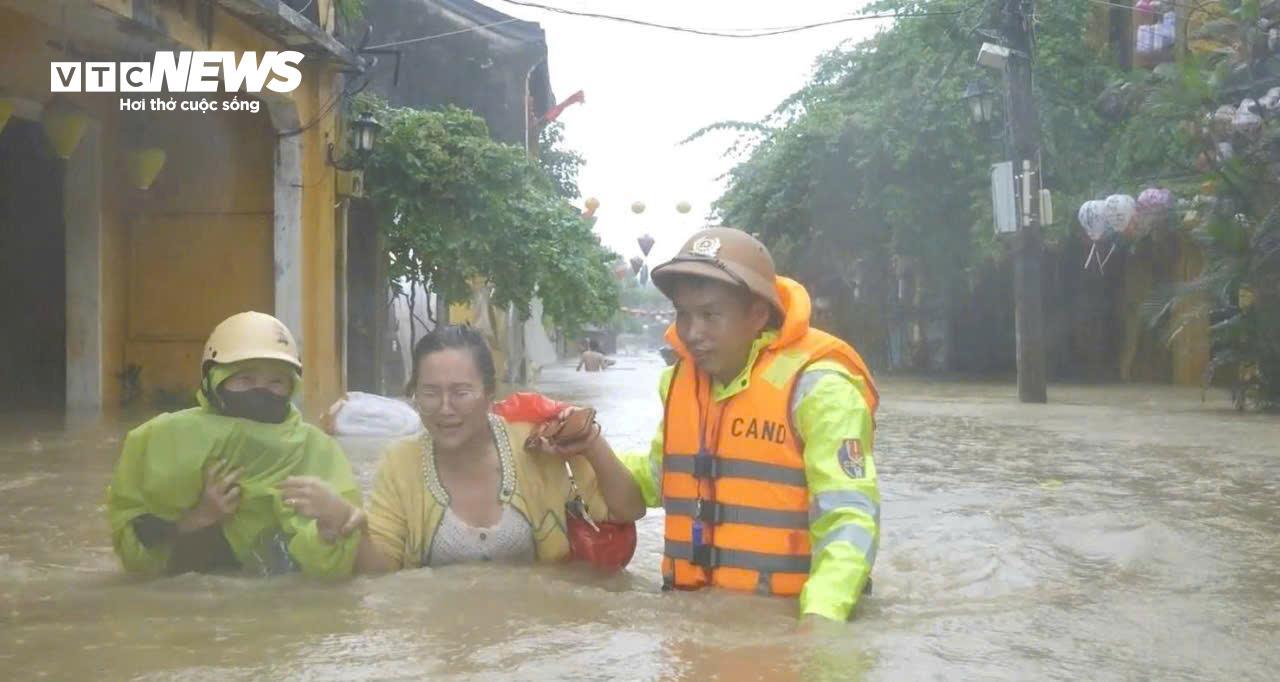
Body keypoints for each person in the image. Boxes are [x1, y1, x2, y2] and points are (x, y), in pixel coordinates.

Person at [620, 227, 881, 624]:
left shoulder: (821, 390)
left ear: (757, 314)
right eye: (683, 315)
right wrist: (581, 452)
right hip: (691, 619)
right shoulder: (677, 384)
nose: (692, 333)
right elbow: (657, 479)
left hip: (791, 618)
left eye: (710, 315)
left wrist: (821, 621)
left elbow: (849, 517)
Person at [280, 325, 645, 572]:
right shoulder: (400, 463)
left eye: (460, 392)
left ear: (489, 394)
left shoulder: (537, 446)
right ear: (415, 397)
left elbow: (628, 509)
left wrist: (592, 444)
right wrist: (344, 523)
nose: (444, 408)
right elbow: (383, 575)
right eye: (429, 393)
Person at [106, 311, 362, 577]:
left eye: (276, 381)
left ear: (291, 387)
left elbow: (340, 563)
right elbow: (140, 559)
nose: (260, 391)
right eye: (245, 379)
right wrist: (201, 516)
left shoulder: (316, 450)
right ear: (215, 380)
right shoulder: (167, 440)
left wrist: (329, 528)